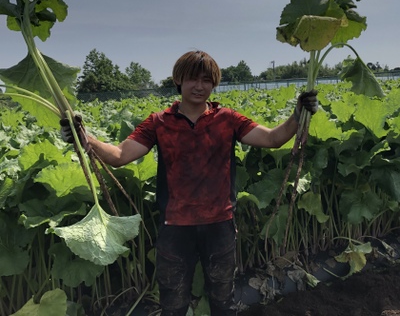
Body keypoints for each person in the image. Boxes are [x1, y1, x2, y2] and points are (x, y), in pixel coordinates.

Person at [60, 50, 318, 316]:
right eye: (193, 79)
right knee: (173, 303)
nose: (199, 86)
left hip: (220, 224)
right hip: (175, 228)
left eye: (207, 80)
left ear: (214, 83)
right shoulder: (159, 122)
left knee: (223, 300)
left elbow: (273, 139)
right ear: (178, 81)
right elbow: (120, 155)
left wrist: (298, 114)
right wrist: (84, 138)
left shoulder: (228, 119)